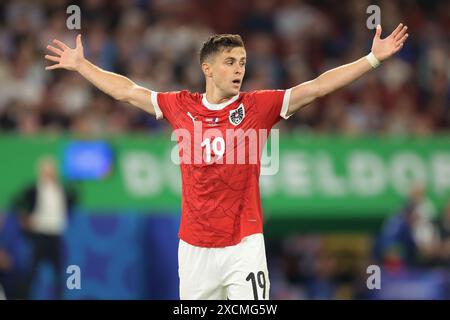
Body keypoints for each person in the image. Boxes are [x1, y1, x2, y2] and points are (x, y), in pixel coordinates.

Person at [44, 24, 408, 299]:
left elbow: (315, 87)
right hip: (194, 249)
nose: (239, 69)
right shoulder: (180, 106)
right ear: (208, 68)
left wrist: (372, 59)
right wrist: (82, 65)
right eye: (230, 62)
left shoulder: (257, 107)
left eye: (243, 63)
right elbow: (126, 91)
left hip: (243, 247)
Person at [13, 156, 77, 299]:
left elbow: (71, 203)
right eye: (46, 171)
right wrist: (24, 218)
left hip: (56, 234)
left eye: (52, 170)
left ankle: (60, 297)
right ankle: (24, 297)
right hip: (39, 235)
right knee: (32, 271)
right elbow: (17, 202)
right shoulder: (33, 189)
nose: (49, 173)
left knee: (60, 271)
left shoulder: (62, 189)